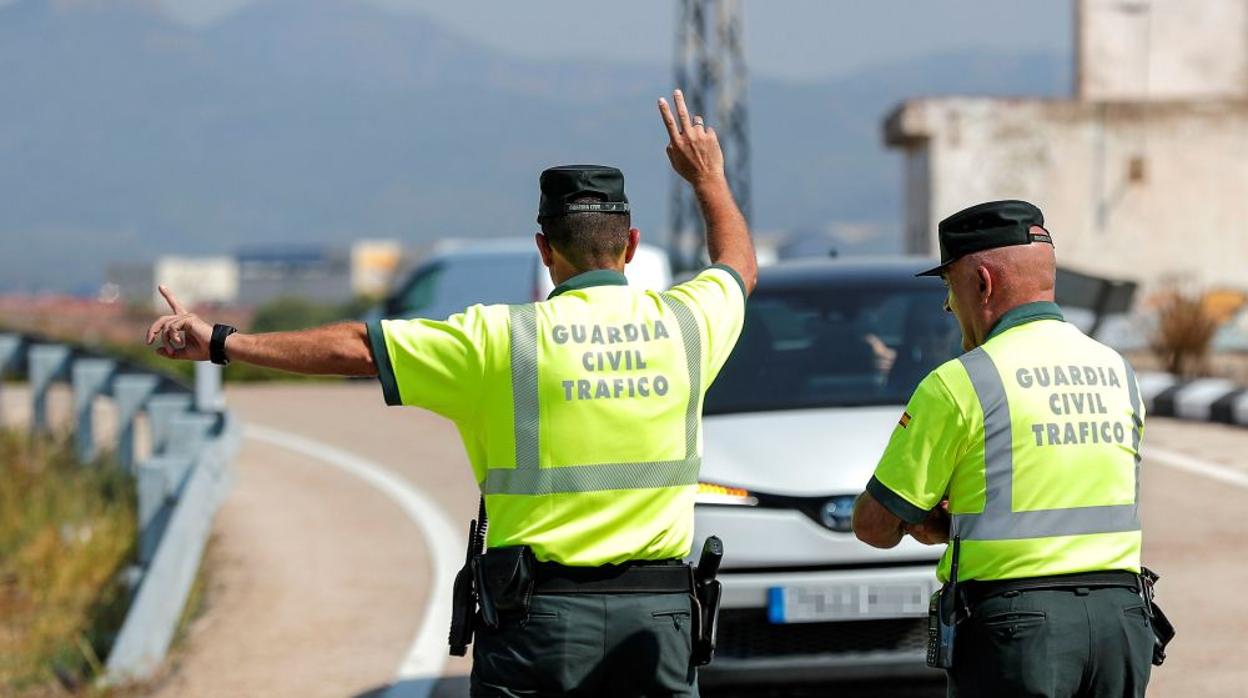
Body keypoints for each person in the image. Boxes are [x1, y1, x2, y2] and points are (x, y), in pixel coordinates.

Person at [145, 89, 756, 698]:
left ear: (544, 250)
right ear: (630, 244)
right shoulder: (688, 323)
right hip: (657, 620)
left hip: (539, 624)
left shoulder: (498, 338)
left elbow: (359, 348)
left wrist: (221, 342)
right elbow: (736, 267)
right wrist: (708, 178)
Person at [851, 200, 1155, 697]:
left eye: (950, 286)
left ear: (982, 283)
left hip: (1020, 631)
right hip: (1120, 623)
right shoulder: (1117, 372)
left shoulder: (961, 382)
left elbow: (874, 526)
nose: (949, 306)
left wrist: (933, 523)